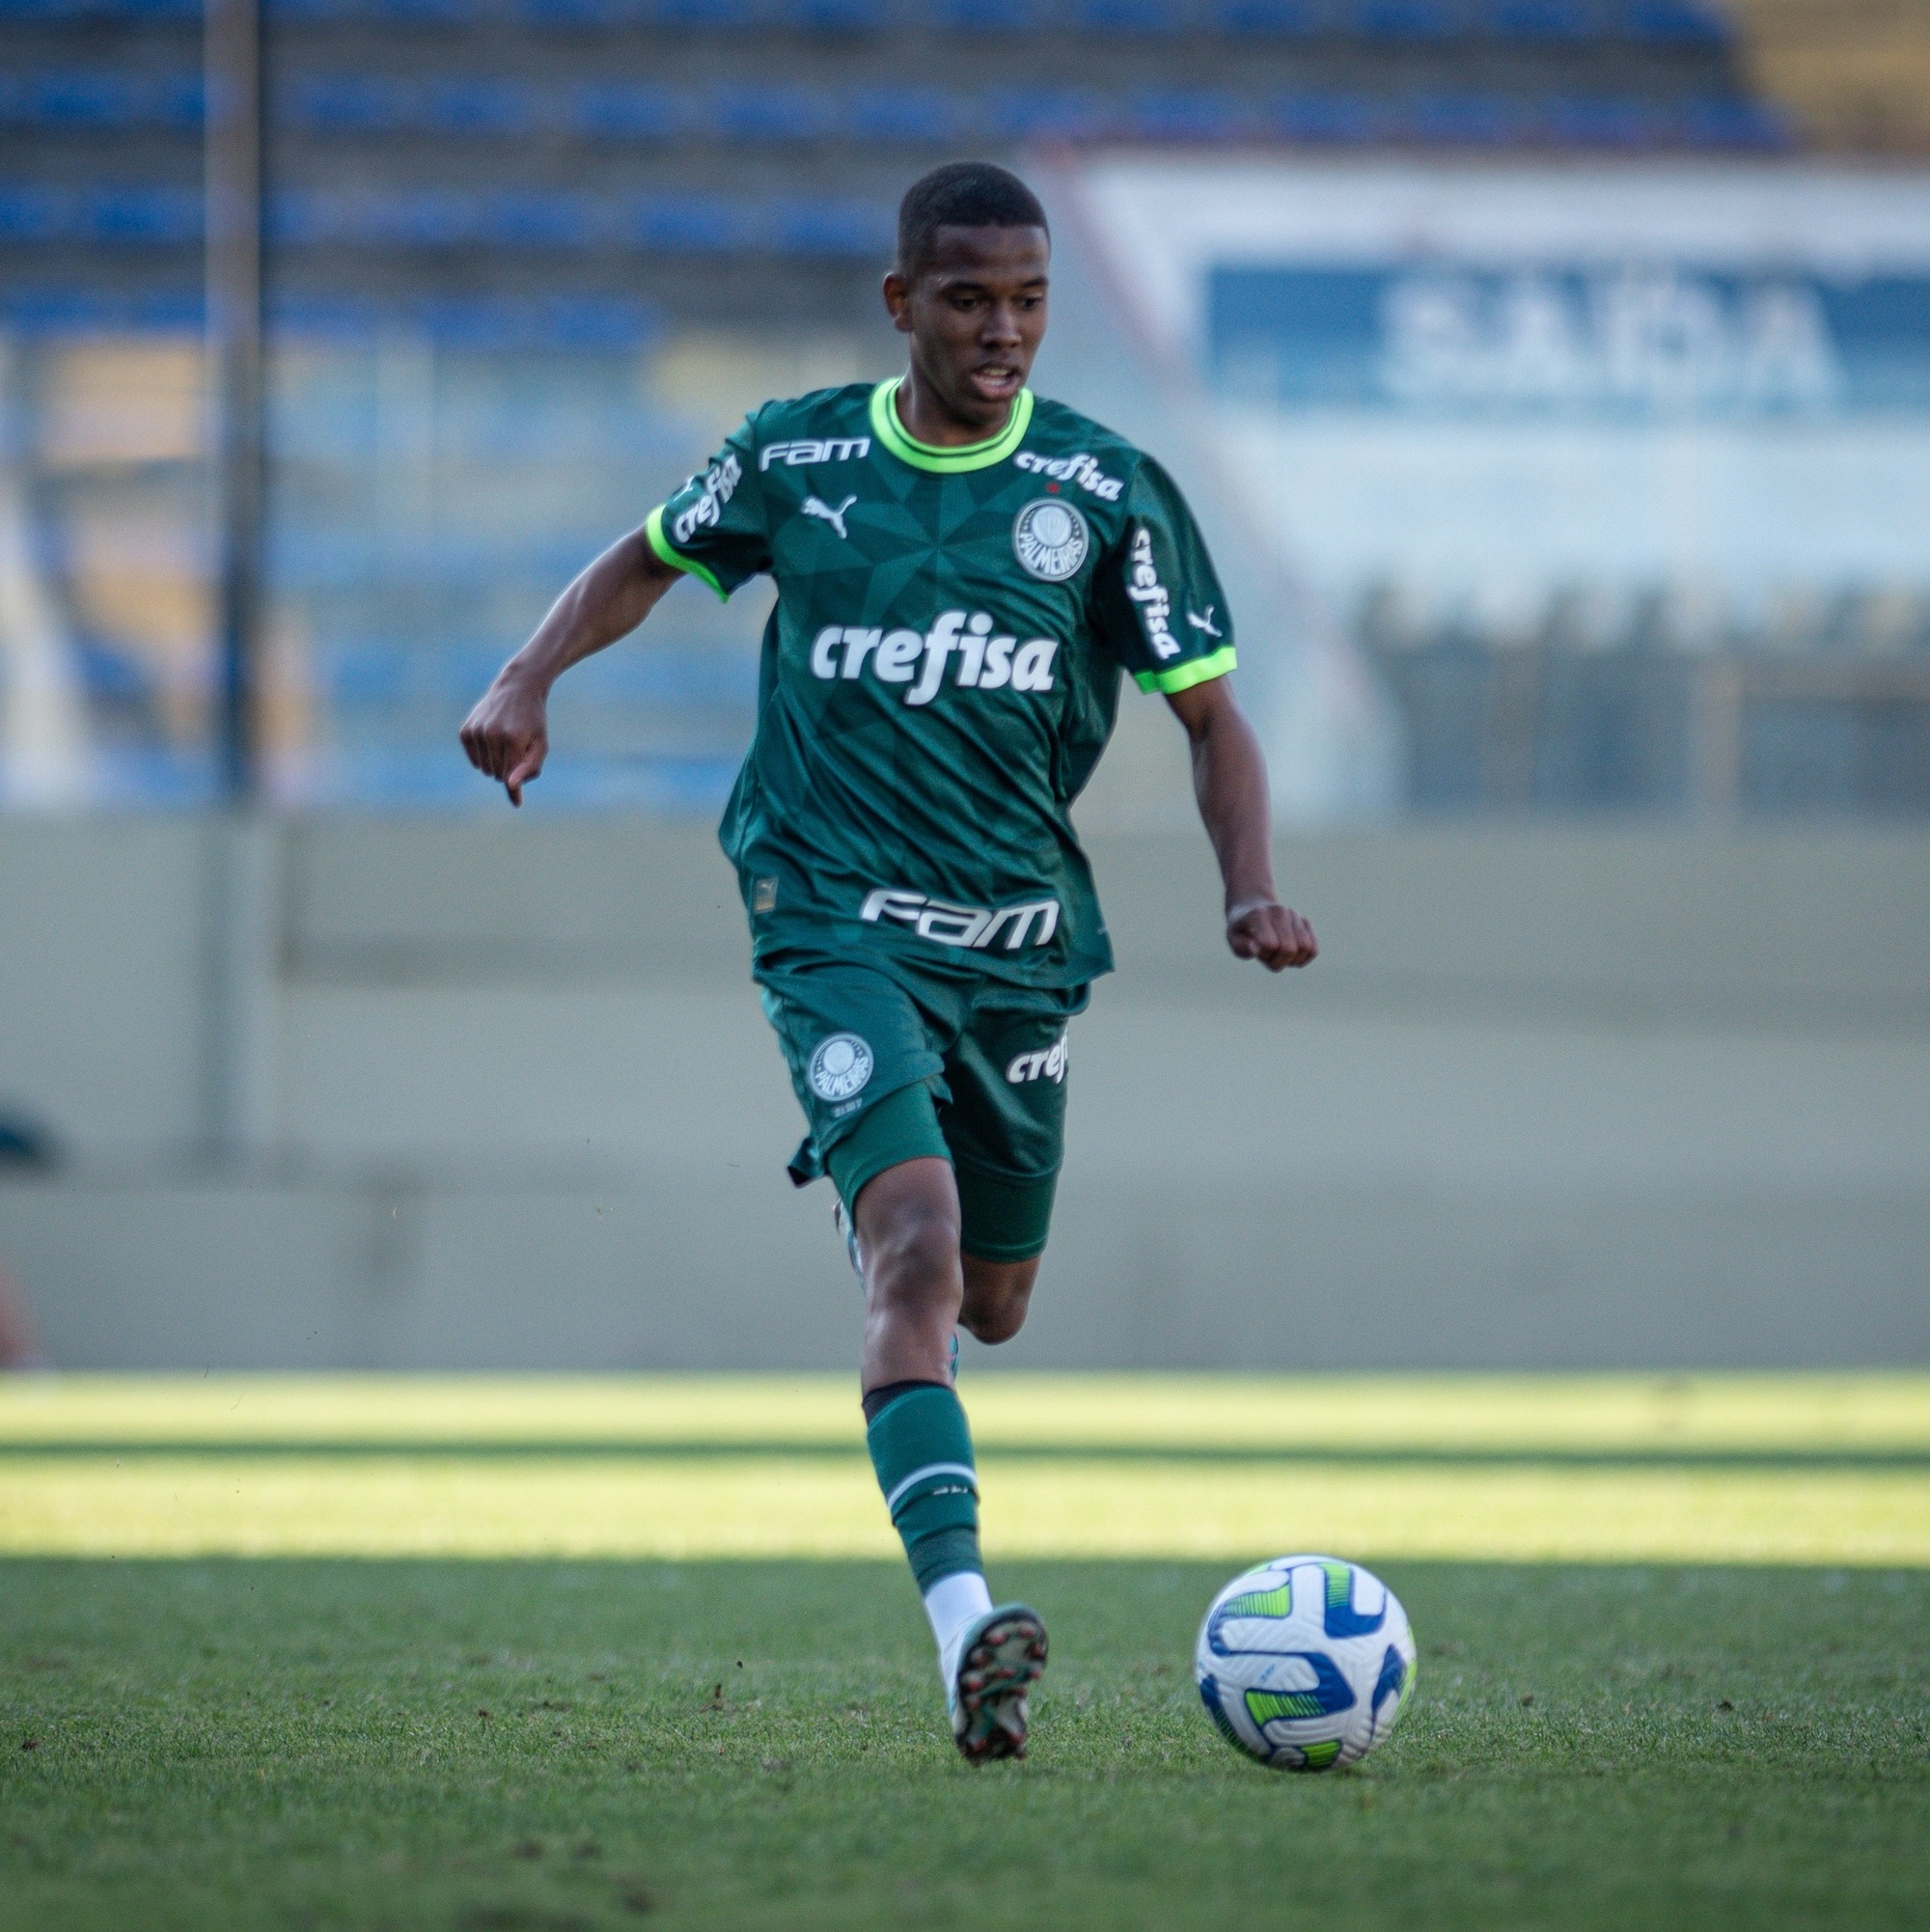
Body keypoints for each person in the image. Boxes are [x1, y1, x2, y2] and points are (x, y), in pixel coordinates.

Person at [460, 160, 1317, 1763]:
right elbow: (646, 554)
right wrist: (526, 680)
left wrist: (1249, 888)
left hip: (1018, 944)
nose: (1005, 332)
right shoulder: (798, 452)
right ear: (901, 301)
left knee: (992, 1298)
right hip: (829, 910)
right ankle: (961, 1632)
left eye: (1032, 300)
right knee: (913, 1250)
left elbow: (1210, 713)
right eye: (972, 298)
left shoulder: (1107, 489)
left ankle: (906, 1243)